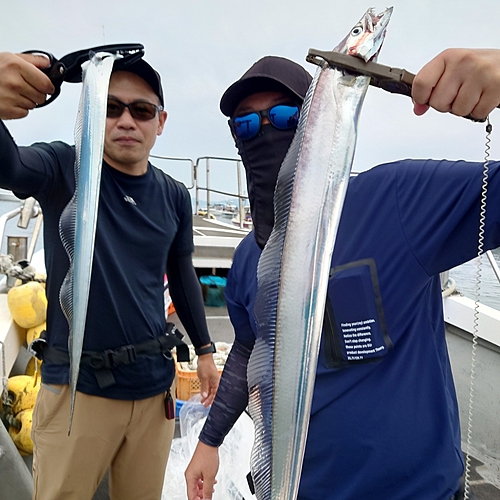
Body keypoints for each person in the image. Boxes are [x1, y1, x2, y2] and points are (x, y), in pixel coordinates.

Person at [185, 49, 500, 500]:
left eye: (286, 115)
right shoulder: (247, 260)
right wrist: (209, 441)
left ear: (317, 119)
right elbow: (250, 348)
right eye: (247, 125)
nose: (266, 131)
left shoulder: (397, 201)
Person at [0, 51, 220, 500]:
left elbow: (181, 275)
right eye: (109, 108)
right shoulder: (65, 168)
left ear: (160, 122)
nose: (125, 121)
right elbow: (9, 166)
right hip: (78, 394)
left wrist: (205, 350)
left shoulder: (175, 196)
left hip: (154, 392)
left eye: (140, 110)